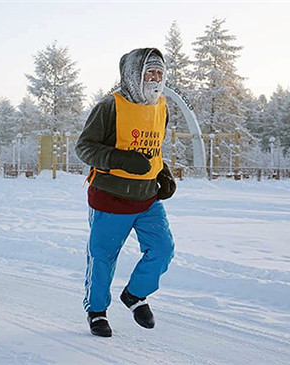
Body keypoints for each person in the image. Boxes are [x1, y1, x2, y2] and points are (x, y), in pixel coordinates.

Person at [75, 48, 177, 337]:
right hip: (110, 198)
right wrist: (120, 159)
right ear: (134, 76)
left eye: (160, 73)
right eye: (150, 72)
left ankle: (134, 294)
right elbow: (84, 147)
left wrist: (163, 173)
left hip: (147, 198)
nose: (156, 79)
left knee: (163, 249)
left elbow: (152, 148)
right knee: (103, 258)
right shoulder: (109, 106)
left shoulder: (162, 107)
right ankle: (97, 312)